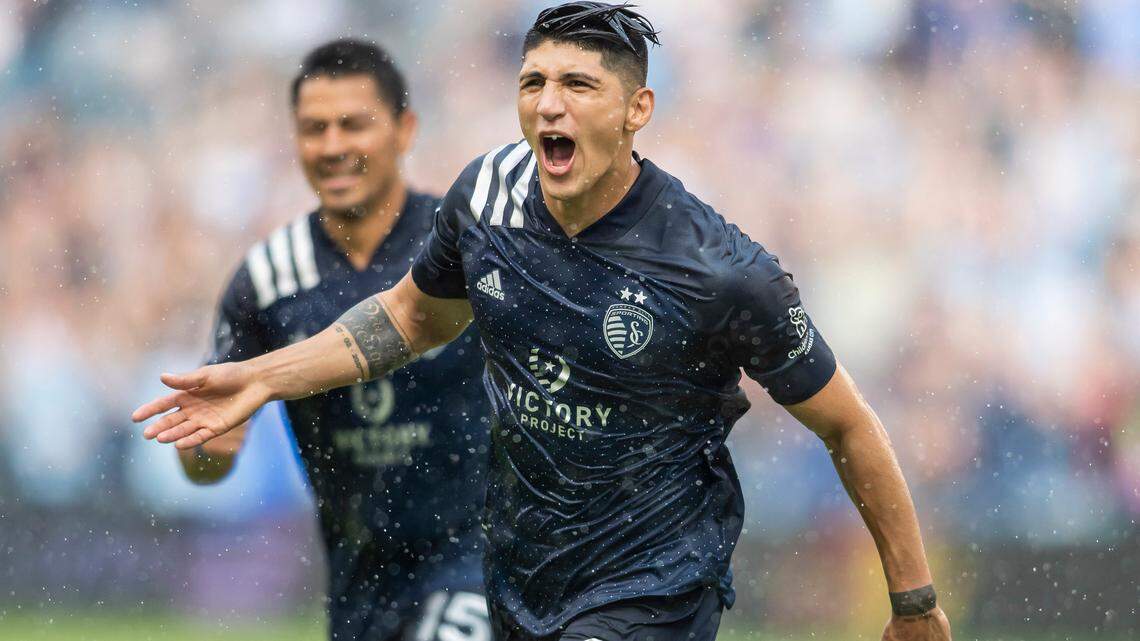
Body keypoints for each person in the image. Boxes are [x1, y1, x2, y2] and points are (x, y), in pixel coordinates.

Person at [135, 5, 952, 641]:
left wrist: (913, 600)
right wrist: (261, 377)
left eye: (579, 86)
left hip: (654, 583)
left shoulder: (719, 269)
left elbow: (847, 424)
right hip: (522, 577)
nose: (549, 104)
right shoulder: (487, 197)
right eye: (534, 82)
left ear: (637, 109)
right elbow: (410, 318)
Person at [175, 38, 492, 641]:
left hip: (483, 564)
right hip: (360, 586)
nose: (333, 146)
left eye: (353, 125)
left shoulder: (464, 248)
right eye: (314, 129)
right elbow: (206, 461)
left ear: (404, 129)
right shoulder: (268, 279)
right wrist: (205, 447)